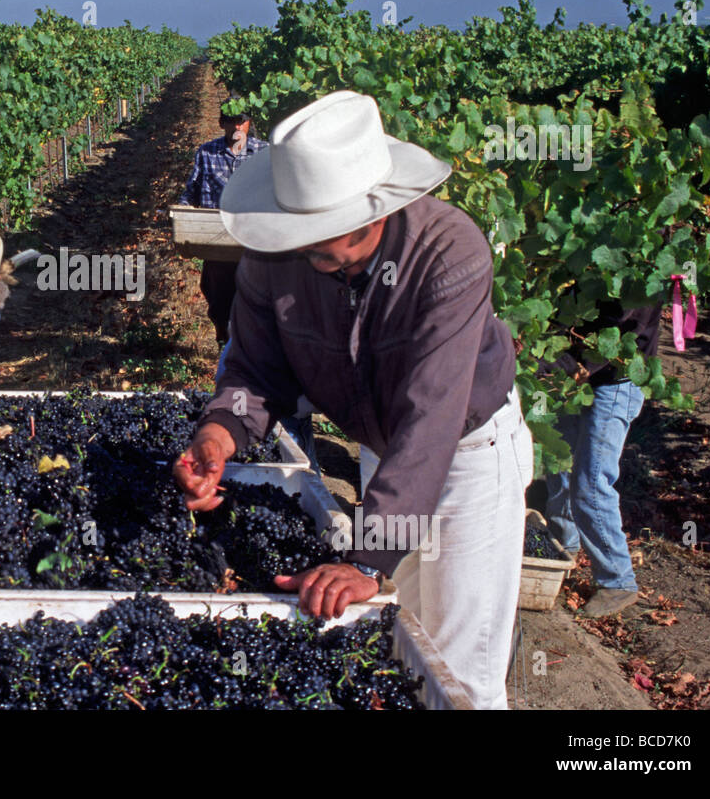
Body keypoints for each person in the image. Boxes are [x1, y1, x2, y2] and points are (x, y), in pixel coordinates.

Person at [172, 90, 531, 710]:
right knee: (398, 639)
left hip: (466, 455)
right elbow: (255, 366)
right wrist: (218, 436)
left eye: (327, 237)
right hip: (381, 449)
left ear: (375, 209)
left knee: (455, 671)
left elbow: (431, 418)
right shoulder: (272, 256)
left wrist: (365, 559)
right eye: (302, 233)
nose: (310, 252)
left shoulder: (449, 252)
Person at [541, 299, 661, 618]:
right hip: (579, 372)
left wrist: (576, 363)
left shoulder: (638, 263)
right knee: (560, 465)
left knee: (590, 484)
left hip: (616, 380)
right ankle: (560, 551)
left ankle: (618, 581)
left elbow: (622, 322)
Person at [179, 100, 266, 347]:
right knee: (217, 294)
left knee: (252, 295)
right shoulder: (207, 153)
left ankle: (246, 344)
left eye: (242, 120)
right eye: (231, 121)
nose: (237, 126)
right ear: (222, 124)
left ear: (249, 123)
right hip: (217, 237)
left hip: (253, 239)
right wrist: (181, 212)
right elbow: (191, 191)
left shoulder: (264, 153)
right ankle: (223, 336)